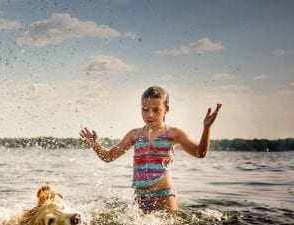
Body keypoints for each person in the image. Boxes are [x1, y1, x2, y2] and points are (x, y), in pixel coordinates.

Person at [79, 86, 222, 212]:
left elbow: (200, 153)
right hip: (140, 197)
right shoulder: (134, 135)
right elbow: (109, 156)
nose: (150, 115)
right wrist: (95, 144)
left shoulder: (173, 134)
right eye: (145, 109)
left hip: (164, 195)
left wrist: (206, 128)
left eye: (156, 110)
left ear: (166, 110)